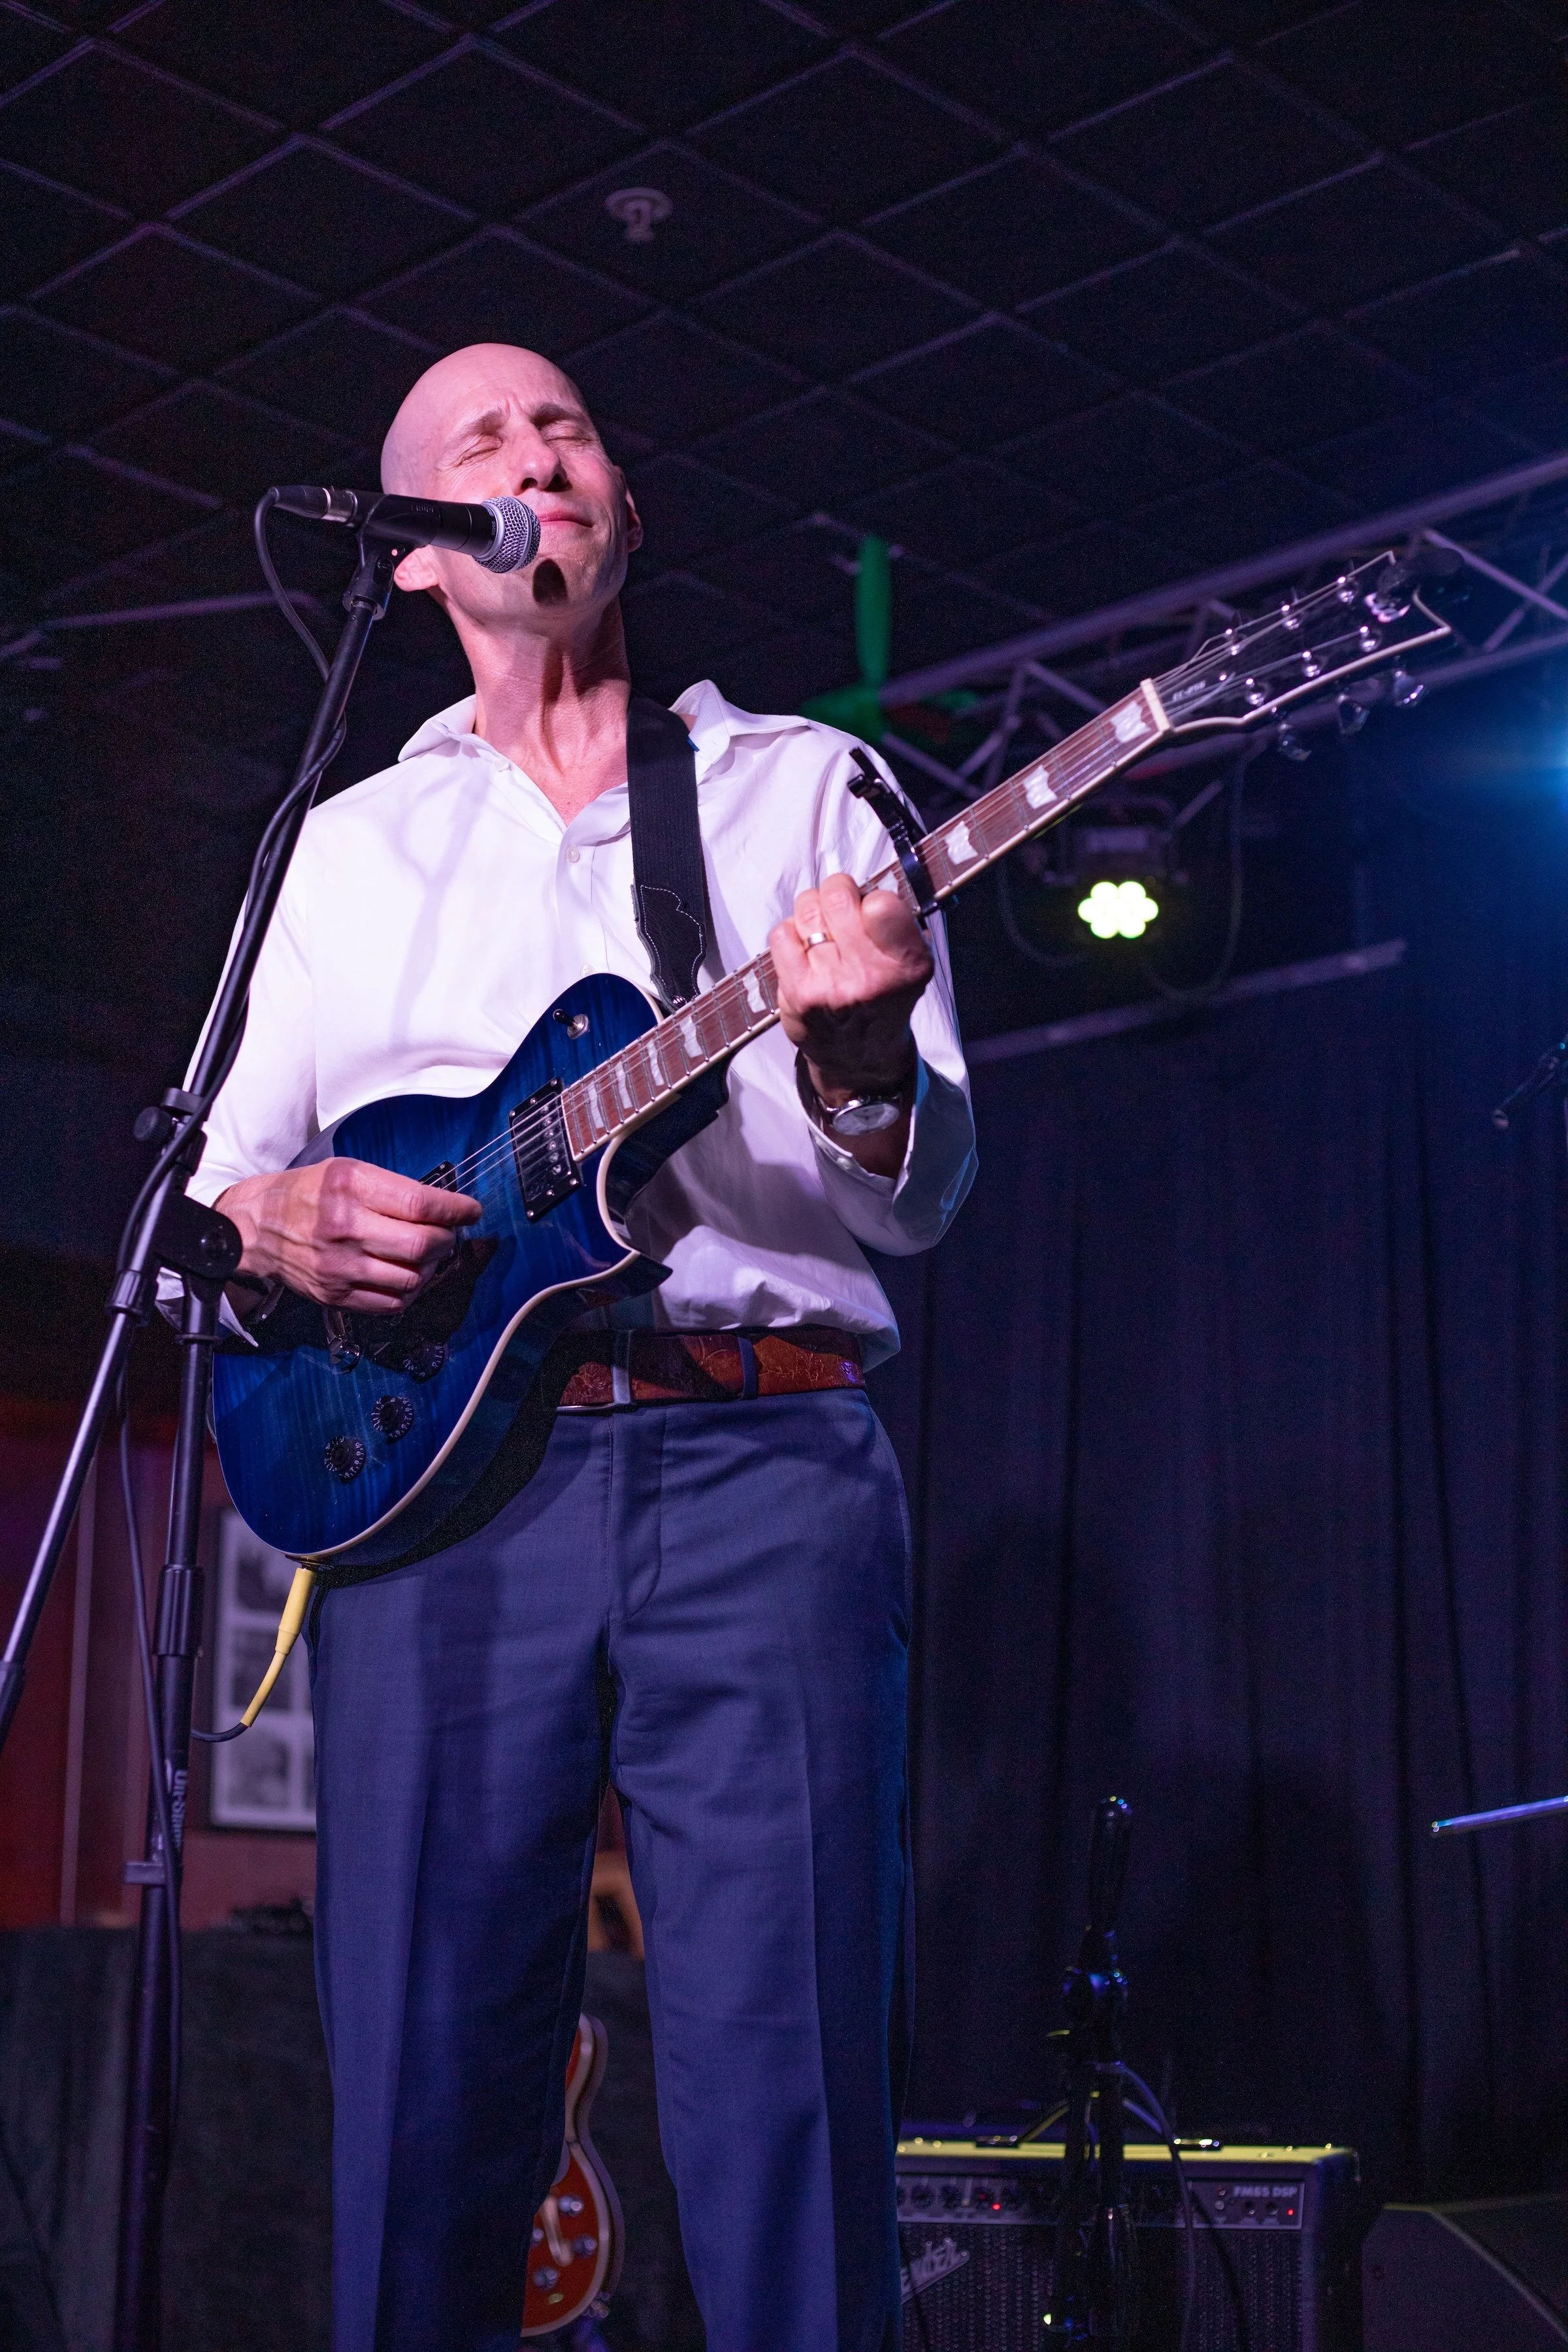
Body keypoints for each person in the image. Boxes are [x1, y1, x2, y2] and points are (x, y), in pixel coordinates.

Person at [192, 341, 976, 2352]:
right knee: (423, 2105)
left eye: (569, 429)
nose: (540, 456)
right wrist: (272, 1220)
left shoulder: (800, 789)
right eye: (486, 444)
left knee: (786, 2099)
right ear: (419, 558)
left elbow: (912, 1192)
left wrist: (864, 1052)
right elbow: (218, 1191)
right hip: (444, 1506)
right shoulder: (350, 845)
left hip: (759, 1464)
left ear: (618, 502)